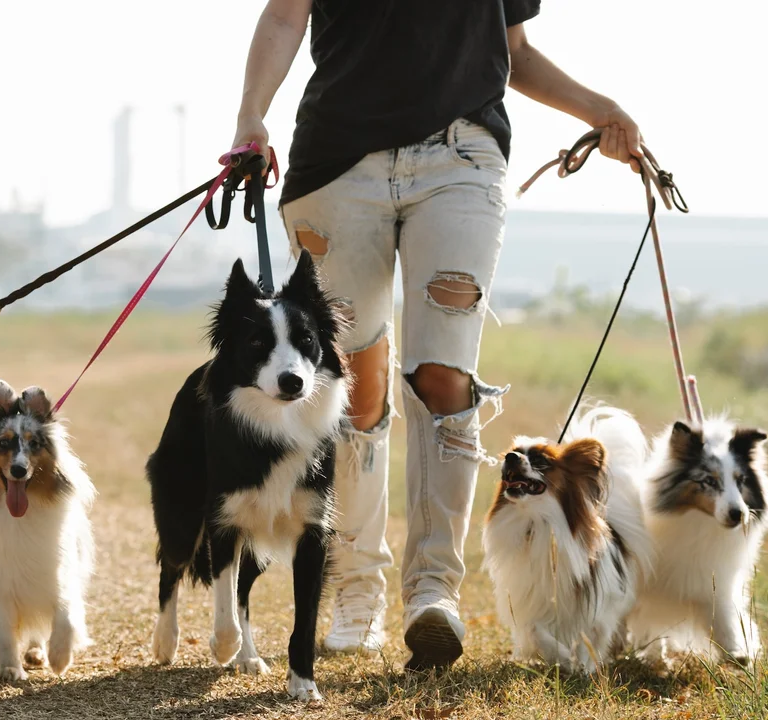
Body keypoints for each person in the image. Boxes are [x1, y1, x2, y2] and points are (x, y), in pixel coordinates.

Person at [230, 1, 644, 671]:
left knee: (444, 375)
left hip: (462, 158)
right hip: (338, 165)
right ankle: (356, 589)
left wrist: (603, 109)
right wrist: (252, 115)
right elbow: (284, 16)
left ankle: (433, 593)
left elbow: (517, 51)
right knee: (353, 385)